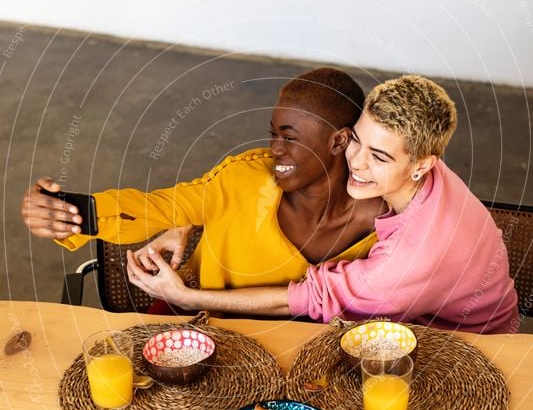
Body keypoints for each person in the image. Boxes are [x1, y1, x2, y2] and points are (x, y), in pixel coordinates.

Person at [125, 74, 519, 334]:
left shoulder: (411, 260)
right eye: (357, 141)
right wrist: (193, 221)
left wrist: (187, 298)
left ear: (423, 165)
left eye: (379, 158)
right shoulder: (416, 164)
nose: (357, 164)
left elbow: (303, 301)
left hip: (463, 346)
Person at [21, 68, 385, 293]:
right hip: (209, 331)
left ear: (338, 140)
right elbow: (158, 208)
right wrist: (65, 211)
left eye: (289, 138)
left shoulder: (385, 212)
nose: (274, 149)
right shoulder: (243, 180)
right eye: (272, 134)